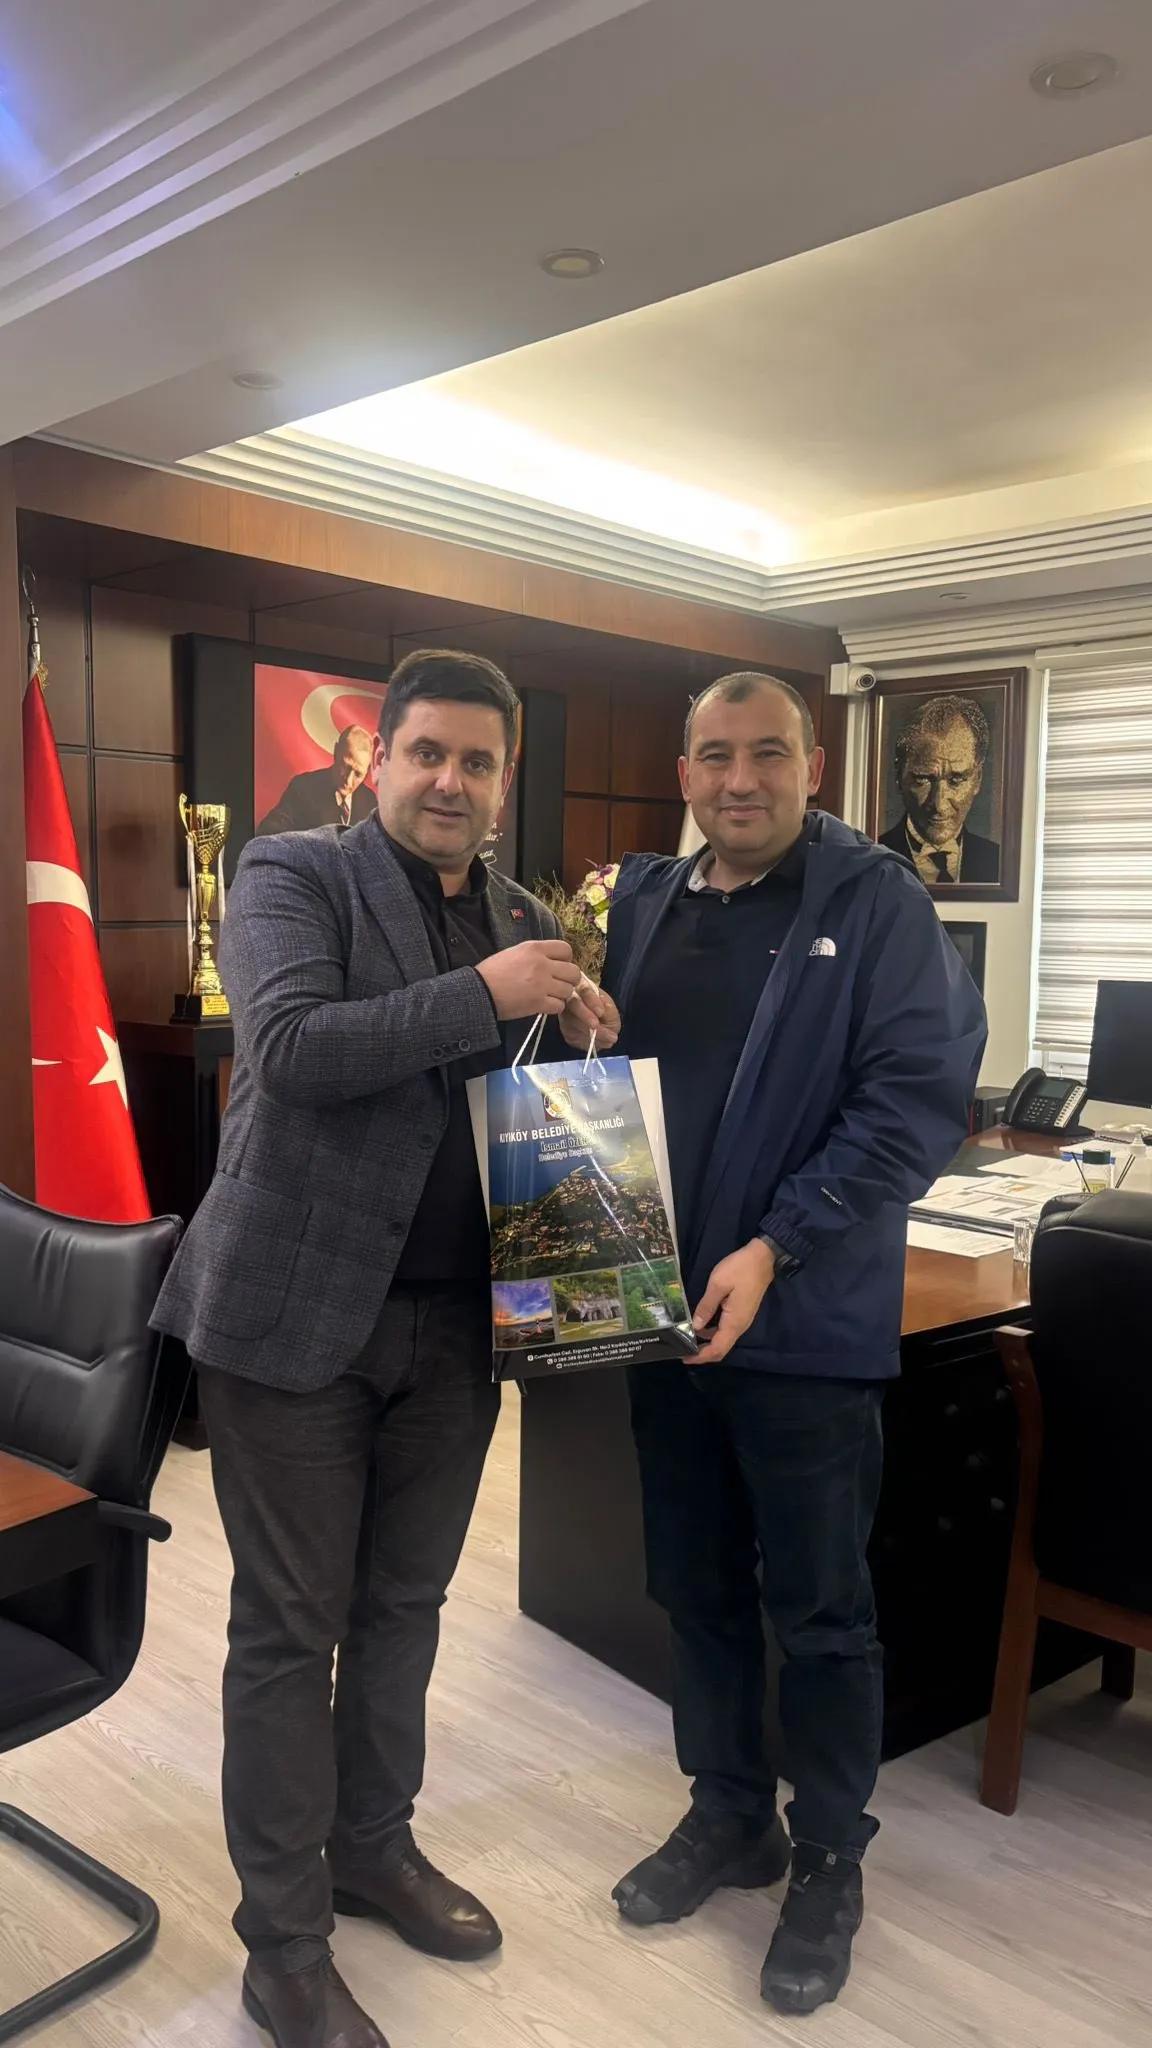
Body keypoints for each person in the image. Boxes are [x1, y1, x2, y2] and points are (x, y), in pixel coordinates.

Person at [152, 650, 597, 2048]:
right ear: (380, 761)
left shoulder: (527, 919)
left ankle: (373, 1845)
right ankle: (282, 1946)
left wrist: (581, 1046)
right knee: (292, 1628)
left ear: (506, 780)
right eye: (428, 753)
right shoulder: (292, 875)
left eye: (479, 761)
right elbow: (291, 1049)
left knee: (405, 1608)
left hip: (461, 1329)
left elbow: (513, 1108)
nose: (451, 781)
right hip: (294, 1321)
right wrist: (488, 993)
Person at [568, 672, 986, 2016]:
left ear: (813, 766)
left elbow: (914, 1104)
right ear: (683, 773)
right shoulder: (645, 901)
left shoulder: (876, 903)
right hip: (663, 1320)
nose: (737, 779)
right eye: (713, 756)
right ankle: (730, 1812)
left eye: (765, 754)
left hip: (803, 1323)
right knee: (693, 1589)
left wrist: (776, 1244)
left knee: (820, 1614)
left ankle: (830, 1858)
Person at [878, 693, 1000, 885]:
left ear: (978, 779)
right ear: (899, 775)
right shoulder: (870, 859)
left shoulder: (998, 861)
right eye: (923, 779)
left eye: (956, 780)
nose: (939, 805)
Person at [257, 724, 377, 833]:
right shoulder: (303, 787)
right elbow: (268, 831)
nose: (348, 780)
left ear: (367, 771)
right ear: (336, 751)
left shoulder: (370, 802)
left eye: (358, 774)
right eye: (345, 766)